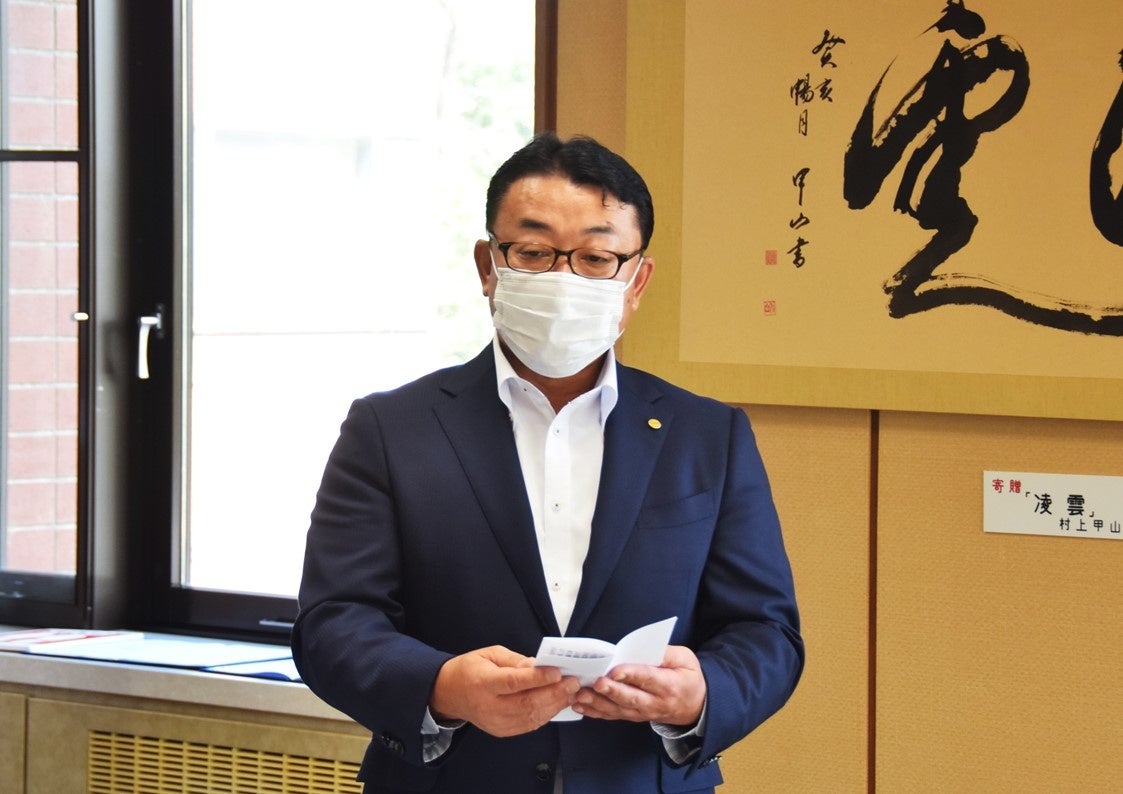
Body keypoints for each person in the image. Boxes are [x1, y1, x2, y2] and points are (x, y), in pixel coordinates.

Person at [292, 132, 804, 793]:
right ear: (488, 266)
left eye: (596, 257)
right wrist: (442, 687)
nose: (564, 280)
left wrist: (704, 693)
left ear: (637, 281)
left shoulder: (707, 435)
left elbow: (765, 630)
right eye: (533, 253)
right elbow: (332, 623)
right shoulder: (391, 429)